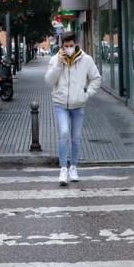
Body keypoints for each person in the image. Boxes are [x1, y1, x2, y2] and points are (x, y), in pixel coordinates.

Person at [46, 32, 102, 186]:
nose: (69, 49)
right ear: (61, 46)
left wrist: (86, 94)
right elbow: (49, 81)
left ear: (76, 44)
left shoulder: (86, 60)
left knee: (76, 137)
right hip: (61, 104)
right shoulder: (54, 60)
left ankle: (73, 167)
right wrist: (58, 63)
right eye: (66, 46)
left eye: (71, 46)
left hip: (78, 105)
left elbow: (96, 79)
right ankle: (63, 168)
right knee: (64, 133)